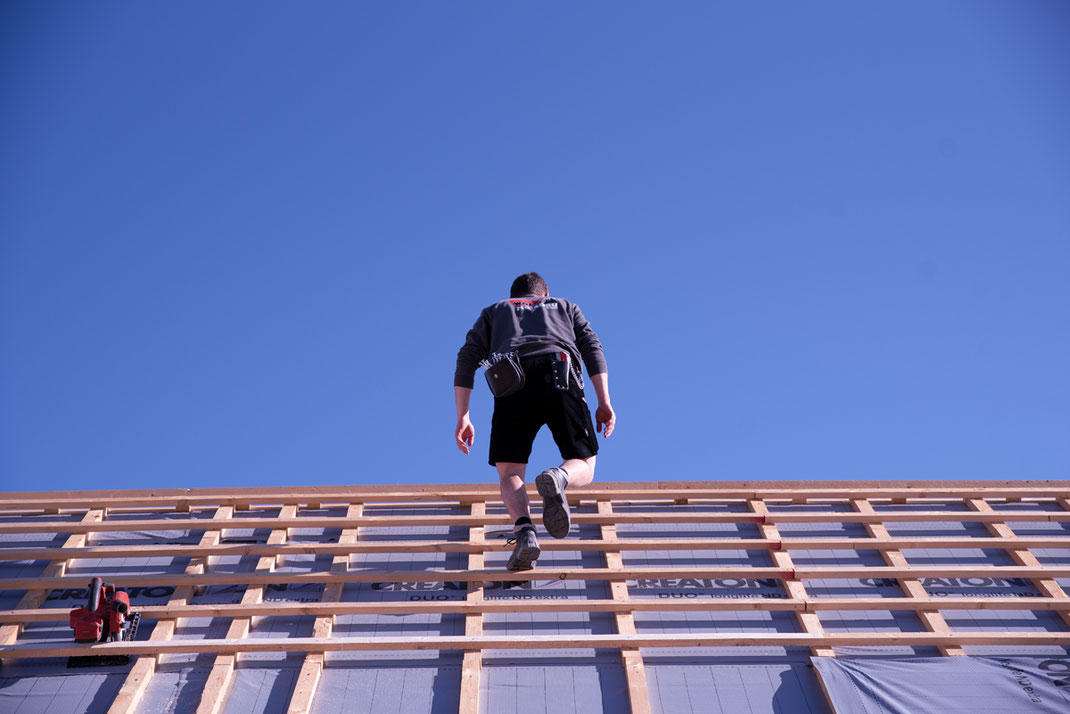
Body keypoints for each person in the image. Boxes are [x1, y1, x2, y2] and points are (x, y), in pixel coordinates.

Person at [454, 272, 615, 571]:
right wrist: (604, 401)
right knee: (584, 462)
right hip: (560, 374)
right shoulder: (565, 306)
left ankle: (525, 532)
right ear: (544, 294)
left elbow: (466, 358)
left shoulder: (495, 311)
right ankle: (559, 477)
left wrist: (463, 416)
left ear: (514, 295)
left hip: (510, 381)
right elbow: (593, 348)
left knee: (510, 472)